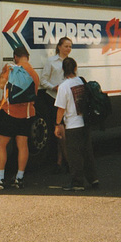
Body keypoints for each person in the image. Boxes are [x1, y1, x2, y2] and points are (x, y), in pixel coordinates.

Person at [0, 46, 39, 190]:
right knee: (22, 145)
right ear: (27, 56)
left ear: (15, 57)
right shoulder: (34, 74)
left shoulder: (11, 69)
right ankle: (19, 178)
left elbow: (2, 85)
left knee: (1, 144)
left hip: (9, 112)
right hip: (27, 114)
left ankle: (0, 178)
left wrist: (2, 74)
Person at [54, 57, 99, 191]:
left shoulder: (63, 86)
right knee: (87, 152)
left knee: (75, 155)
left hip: (73, 125)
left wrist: (57, 124)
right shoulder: (81, 81)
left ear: (62, 69)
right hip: (84, 122)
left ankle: (78, 182)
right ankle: (93, 179)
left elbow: (61, 108)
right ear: (75, 68)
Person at [40, 37, 72, 173]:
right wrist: (54, 88)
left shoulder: (71, 62)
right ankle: (67, 161)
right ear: (59, 47)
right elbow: (43, 80)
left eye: (70, 46)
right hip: (53, 99)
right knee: (59, 131)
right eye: (66, 46)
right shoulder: (51, 62)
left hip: (67, 100)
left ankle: (60, 162)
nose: (68, 49)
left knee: (63, 132)